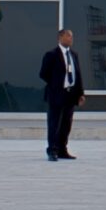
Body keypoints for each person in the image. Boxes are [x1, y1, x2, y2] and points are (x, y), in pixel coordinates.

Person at [37, 27, 83, 161]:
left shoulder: (74, 55)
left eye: (72, 36)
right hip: (56, 95)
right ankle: (52, 150)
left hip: (70, 95)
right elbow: (43, 74)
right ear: (60, 37)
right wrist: (56, 84)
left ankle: (62, 150)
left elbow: (78, 75)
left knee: (66, 125)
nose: (71, 39)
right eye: (68, 36)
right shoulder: (51, 55)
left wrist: (80, 93)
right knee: (54, 124)